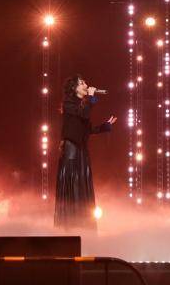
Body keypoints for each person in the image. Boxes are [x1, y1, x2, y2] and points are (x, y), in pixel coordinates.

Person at [54, 75, 117, 229]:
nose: (86, 85)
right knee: (74, 186)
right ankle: (70, 226)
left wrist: (105, 127)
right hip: (71, 152)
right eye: (82, 83)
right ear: (74, 88)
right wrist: (91, 97)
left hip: (81, 152)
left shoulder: (83, 106)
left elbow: (87, 130)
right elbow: (83, 113)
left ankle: (83, 226)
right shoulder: (69, 104)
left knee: (82, 188)